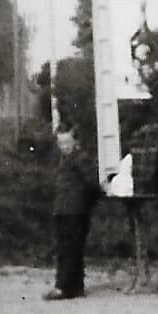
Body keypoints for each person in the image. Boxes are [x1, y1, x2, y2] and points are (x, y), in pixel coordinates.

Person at [44, 122, 104, 301]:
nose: (64, 147)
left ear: (76, 142)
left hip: (76, 211)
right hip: (63, 210)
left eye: (67, 143)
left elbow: (92, 184)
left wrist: (88, 203)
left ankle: (62, 286)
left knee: (68, 249)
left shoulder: (81, 158)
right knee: (69, 247)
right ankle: (76, 286)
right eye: (60, 143)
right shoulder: (65, 159)